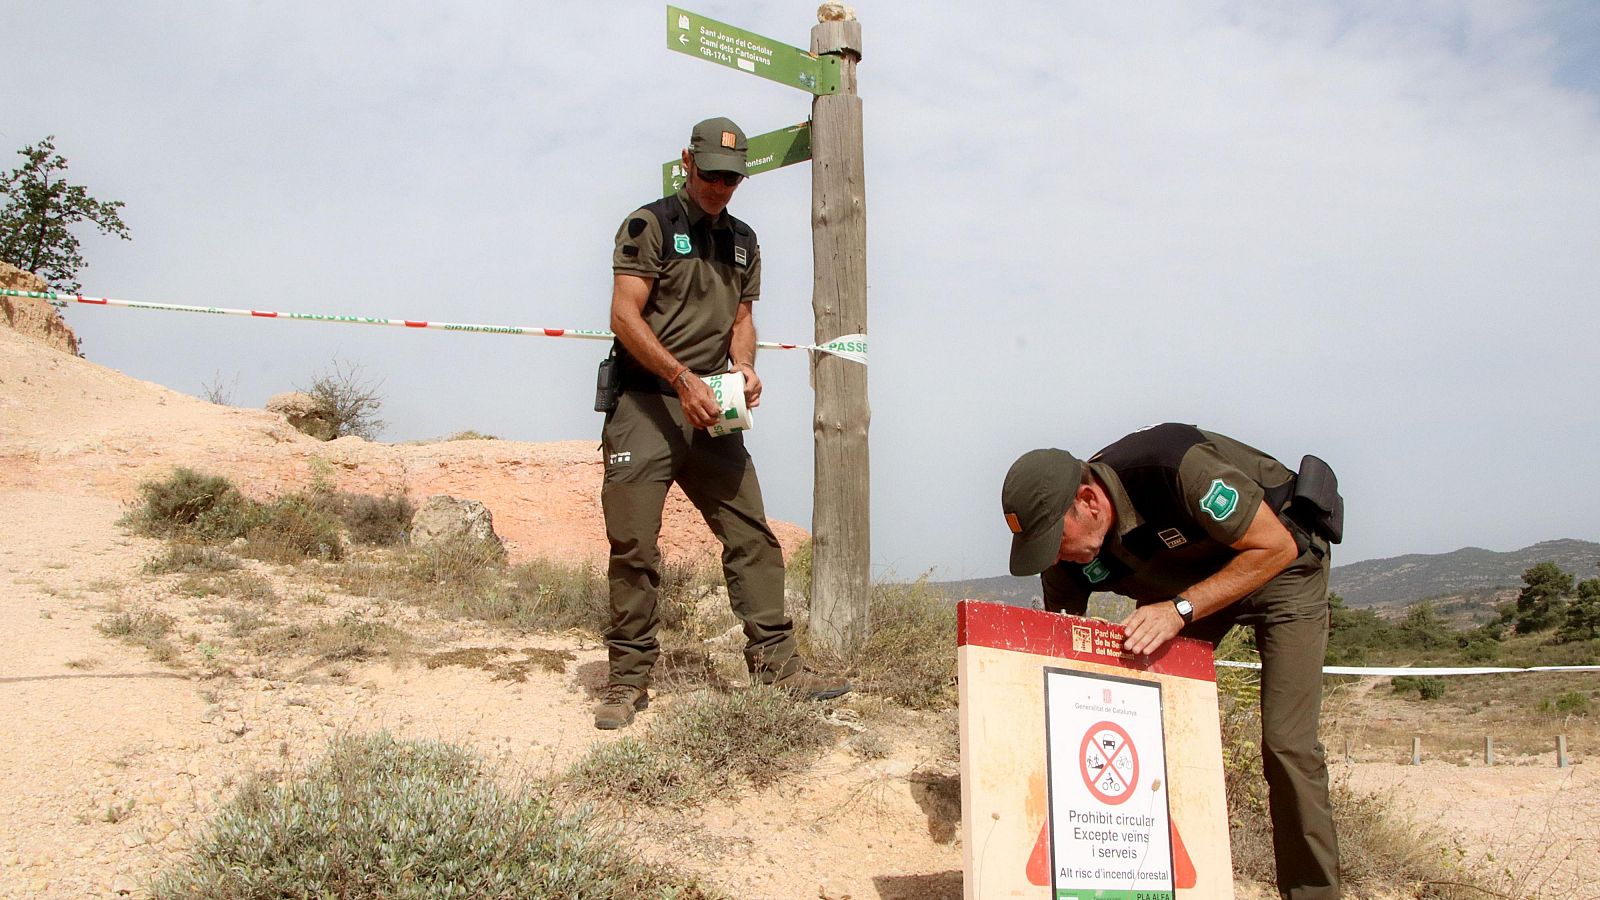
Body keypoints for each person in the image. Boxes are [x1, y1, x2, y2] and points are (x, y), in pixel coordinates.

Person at [1001, 423, 1345, 899]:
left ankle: (1313, 894)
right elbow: (1060, 657)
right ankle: (1152, 878)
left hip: (1280, 568)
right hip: (1189, 584)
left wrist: (1179, 610)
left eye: (1055, 539)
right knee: (1145, 724)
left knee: (1287, 743)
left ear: (1089, 500)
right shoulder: (1065, 557)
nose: (1055, 556)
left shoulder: (1172, 468)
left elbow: (1276, 546)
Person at [595, 116, 848, 730]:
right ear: (687, 162)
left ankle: (776, 664)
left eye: (732, 179)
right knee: (634, 547)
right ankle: (628, 679)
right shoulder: (648, 225)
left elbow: (742, 318)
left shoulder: (743, 241)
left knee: (752, 533)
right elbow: (624, 318)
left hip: (713, 409)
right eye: (710, 175)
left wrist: (743, 368)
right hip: (648, 403)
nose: (720, 187)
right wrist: (682, 380)